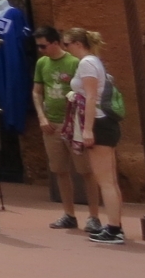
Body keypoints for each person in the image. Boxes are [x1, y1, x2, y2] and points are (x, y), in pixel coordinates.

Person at [64, 27, 125, 245]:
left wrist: (88, 129)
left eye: (67, 44)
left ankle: (114, 229)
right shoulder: (94, 61)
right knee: (110, 180)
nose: (66, 48)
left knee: (105, 181)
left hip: (98, 122)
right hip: (103, 122)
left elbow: (91, 97)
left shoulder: (87, 63)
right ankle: (115, 226)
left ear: (78, 44)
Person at [32, 27, 95, 232]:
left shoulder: (74, 62)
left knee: (86, 170)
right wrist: (42, 117)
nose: (41, 50)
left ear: (55, 43)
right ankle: (69, 214)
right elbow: (37, 92)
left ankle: (94, 216)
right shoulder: (42, 63)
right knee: (60, 170)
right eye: (38, 46)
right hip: (52, 124)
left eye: (43, 46)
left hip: (74, 123)